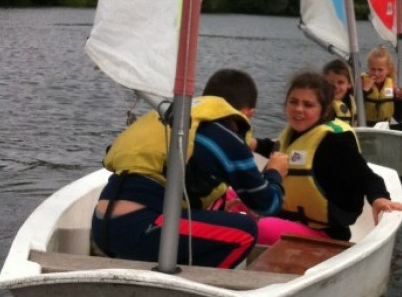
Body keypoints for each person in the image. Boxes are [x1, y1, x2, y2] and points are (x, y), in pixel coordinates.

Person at [91, 69, 289, 269]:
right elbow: (266, 204)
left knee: (214, 209)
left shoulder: (173, 118)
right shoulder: (224, 137)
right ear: (248, 114)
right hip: (139, 228)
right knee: (245, 232)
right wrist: (274, 172)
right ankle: (200, 288)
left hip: (101, 228)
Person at [250, 71, 402, 243]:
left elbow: (365, 176)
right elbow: (279, 151)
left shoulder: (334, 142)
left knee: (261, 227)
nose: (298, 109)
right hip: (290, 222)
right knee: (234, 199)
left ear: (324, 110)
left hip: (325, 234)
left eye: (308, 105)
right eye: (293, 102)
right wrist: (253, 143)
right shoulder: (295, 133)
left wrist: (379, 198)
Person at [360, 46, 402, 127]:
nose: (376, 73)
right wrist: (365, 90)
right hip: (365, 127)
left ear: (388, 70)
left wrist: (400, 100)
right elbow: (354, 108)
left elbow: (399, 118)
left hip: (384, 128)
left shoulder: (391, 86)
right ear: (368, 68)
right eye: (373, 69)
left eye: (380, 70)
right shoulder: (362, 83)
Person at [323, 59, 357, 126]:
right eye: (331, 83)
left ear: (350, 83)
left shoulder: (354, 102)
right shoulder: (321, 106)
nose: (335, 87)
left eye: (340, 82)